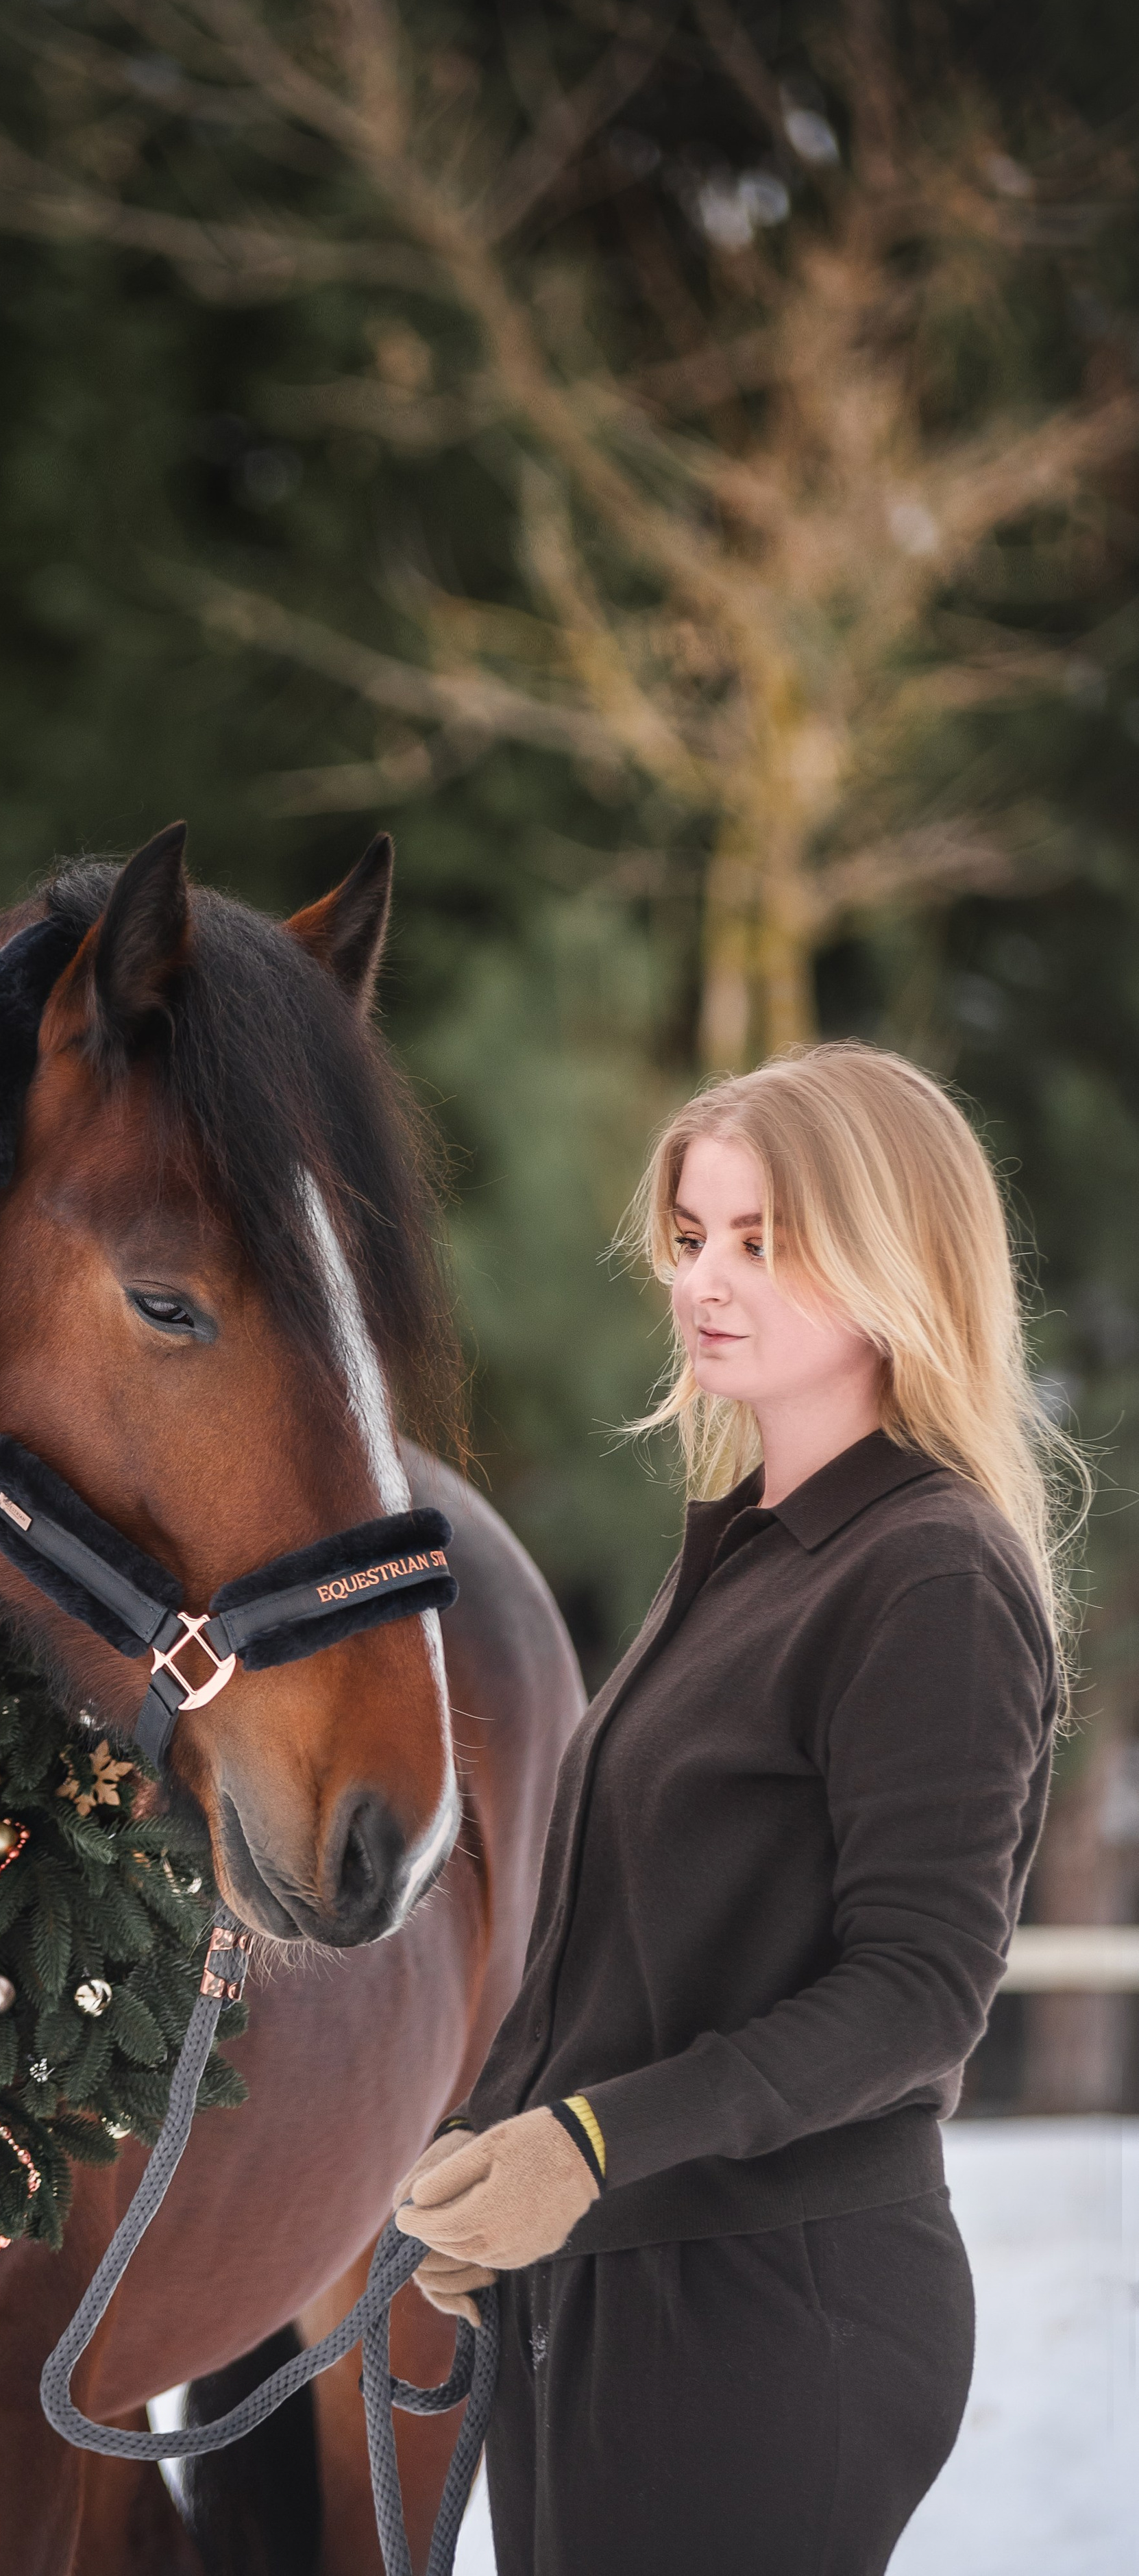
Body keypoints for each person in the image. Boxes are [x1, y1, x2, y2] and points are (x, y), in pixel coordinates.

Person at [395, 1043, 1077, 2576]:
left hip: (774, 2302)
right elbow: (629, 1945)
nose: (706, 1279)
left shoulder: (930, 1573)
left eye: (762, 1241)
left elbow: (915, 1992)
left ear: (895, 1252)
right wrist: (497, 2154)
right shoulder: (745, 1557)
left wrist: (579, 2144)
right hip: (613, 2283)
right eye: (691, 1237)